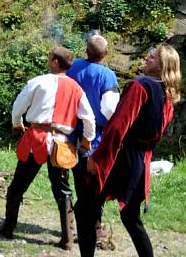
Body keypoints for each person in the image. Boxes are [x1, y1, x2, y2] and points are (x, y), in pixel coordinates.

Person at [74, 44, 181, 257]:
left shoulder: (140, 85)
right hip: (140, 161)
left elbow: (118, 126)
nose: (147, 58)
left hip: (120, 158)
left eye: (152, 57)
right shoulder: (168, 95)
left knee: (84, 210)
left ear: (163, 65)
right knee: (130, 217)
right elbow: (156, 136)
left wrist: (98, 158)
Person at [0, 46, 95, 251]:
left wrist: (16, 124)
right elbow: (89, 118)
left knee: (18, 185)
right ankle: (68, 239)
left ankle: (8, 227)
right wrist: (87, 140)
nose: (48, 60)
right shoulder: (77, 88)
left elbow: (18, 107)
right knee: (63, 190)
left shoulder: (38, 82)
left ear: (56, 62)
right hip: (62, 144)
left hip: (36, 140)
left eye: (50, 58)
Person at [67, 34, 119, 243]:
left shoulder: (72, 67)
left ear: (86, 50)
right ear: (105, 54)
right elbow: (109, 109)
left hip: (70, 134)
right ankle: (94, 229)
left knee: (78, 181)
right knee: (95, 183)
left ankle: (75, 227)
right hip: (95, 137)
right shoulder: (107, 76)